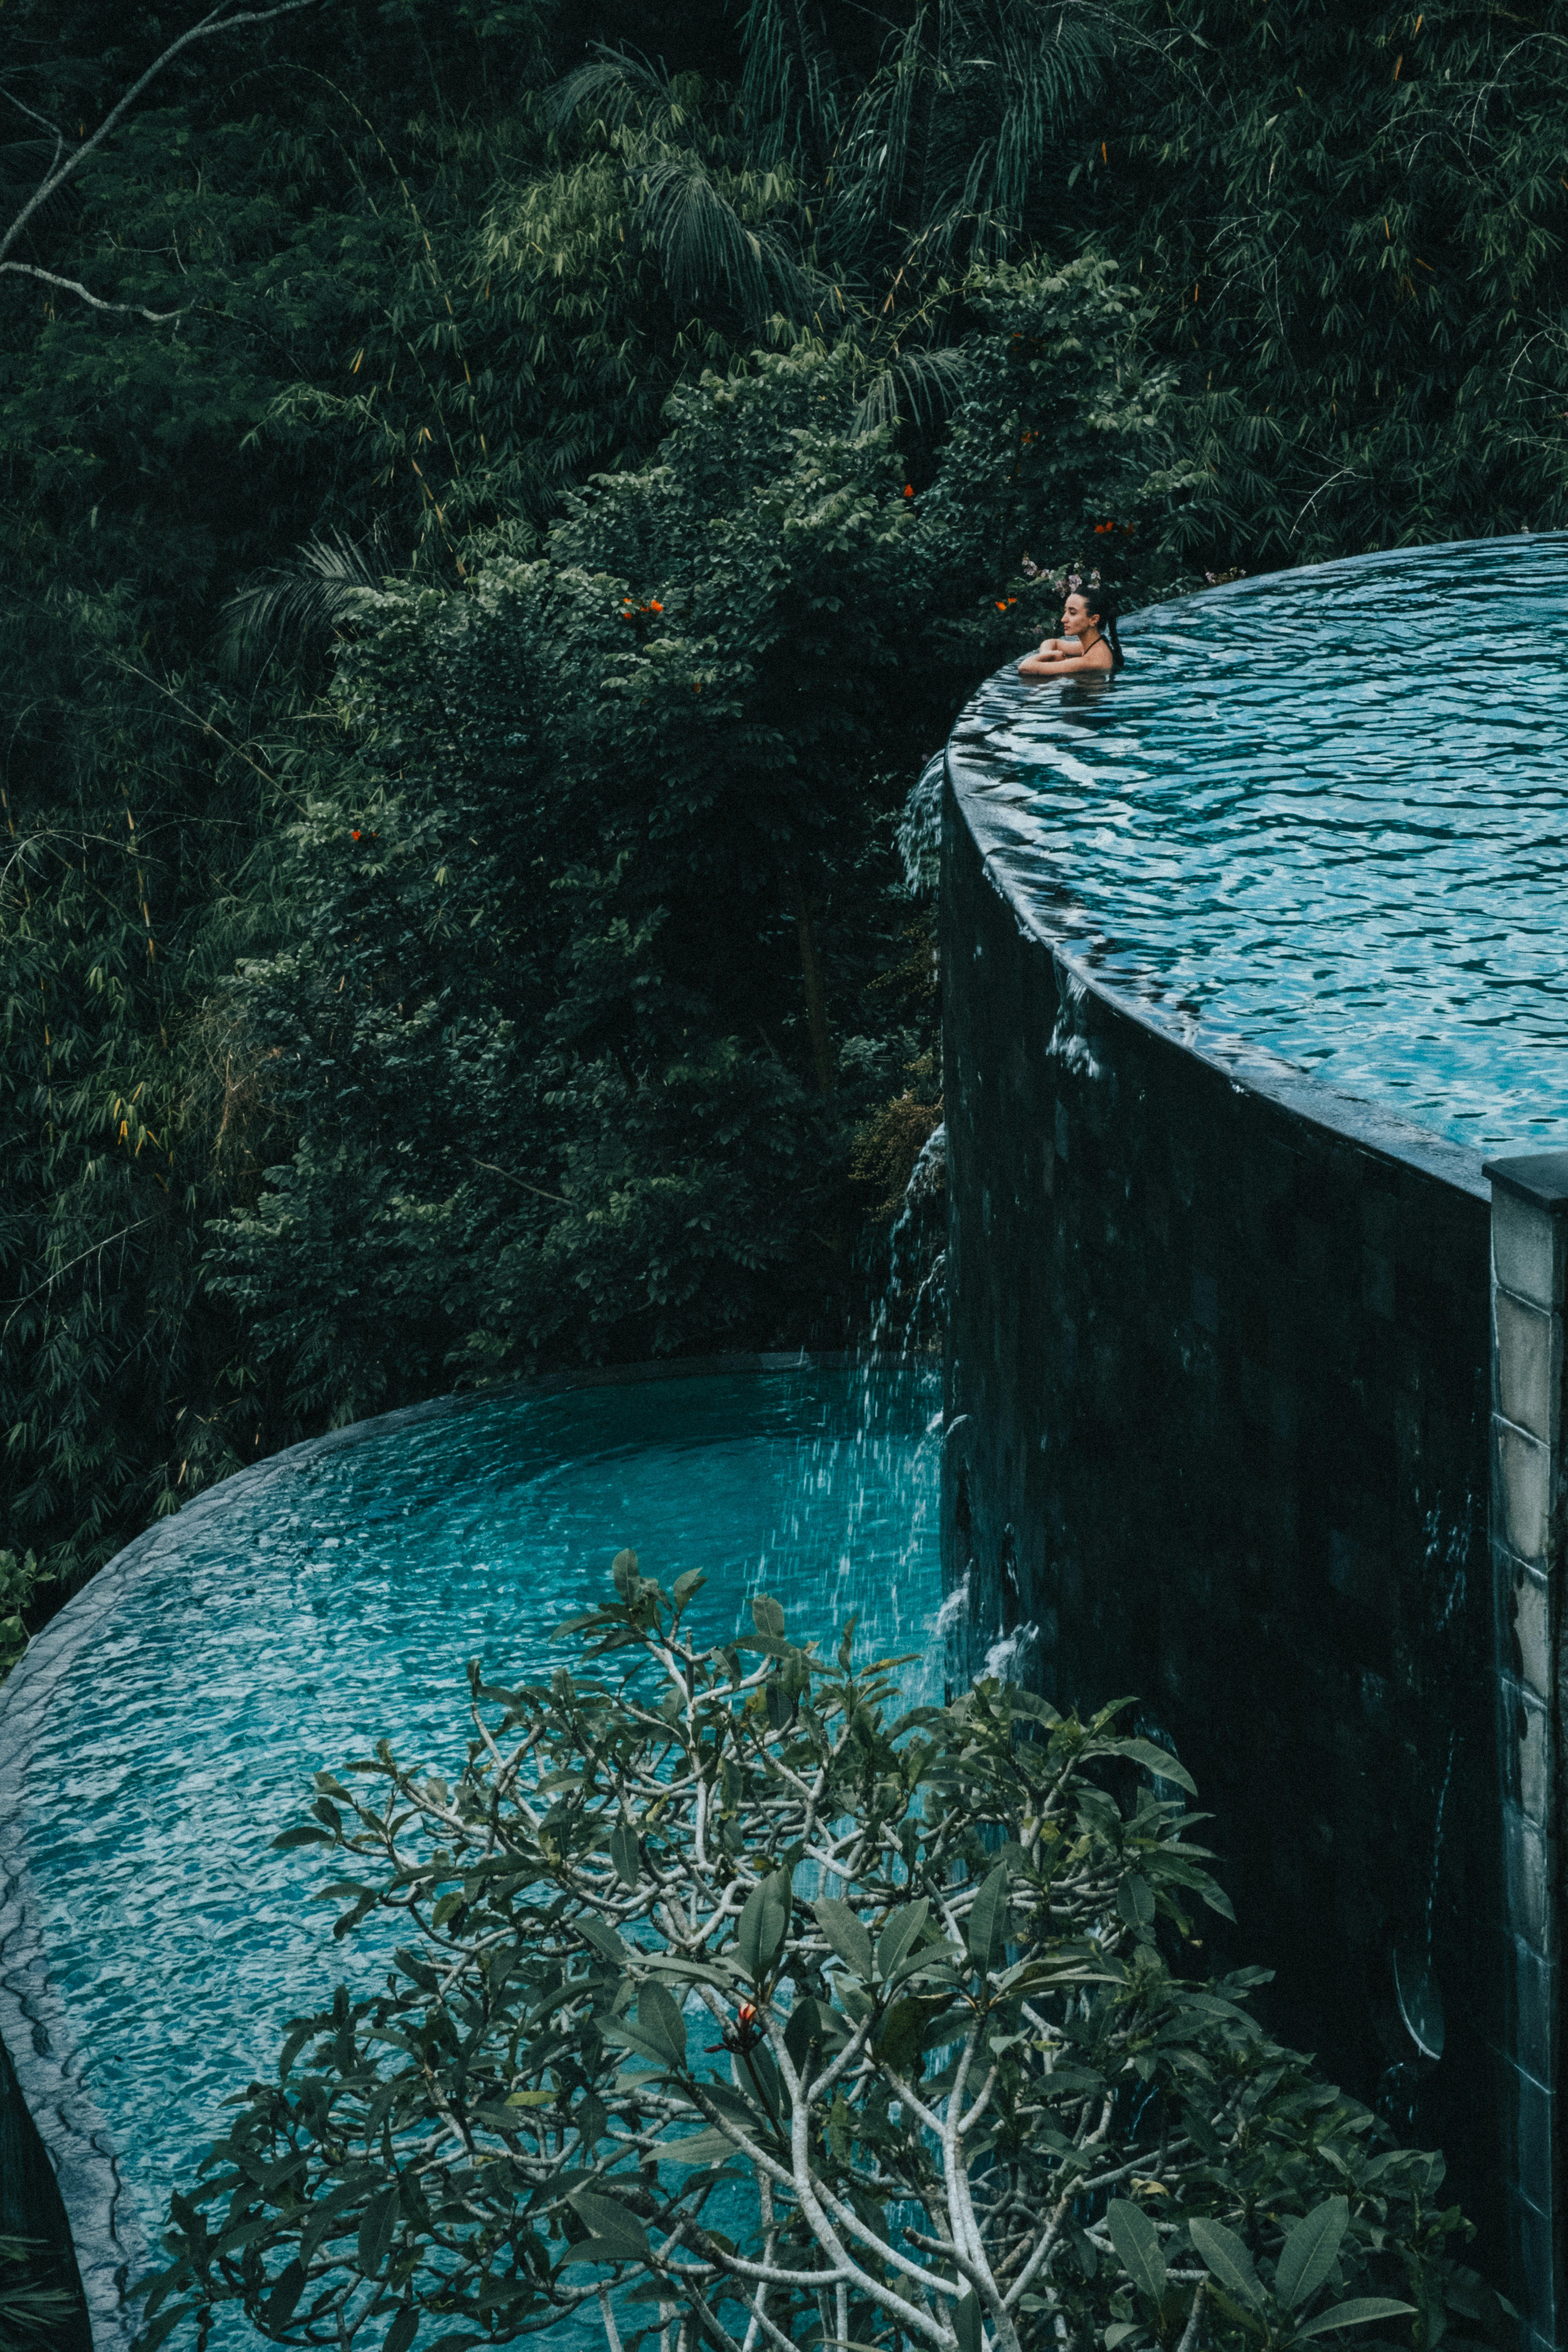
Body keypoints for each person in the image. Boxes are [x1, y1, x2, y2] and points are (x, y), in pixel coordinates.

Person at [1018, 586, 1124, 677]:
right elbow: (1052, 642)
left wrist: (1047, 657)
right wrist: (1052, 654)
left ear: (1094, 620)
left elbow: (1025, 668)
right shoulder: (1093, 645)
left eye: (1073, 613)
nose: (1064, 619)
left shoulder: (1092, 661)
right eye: (1066, 611)